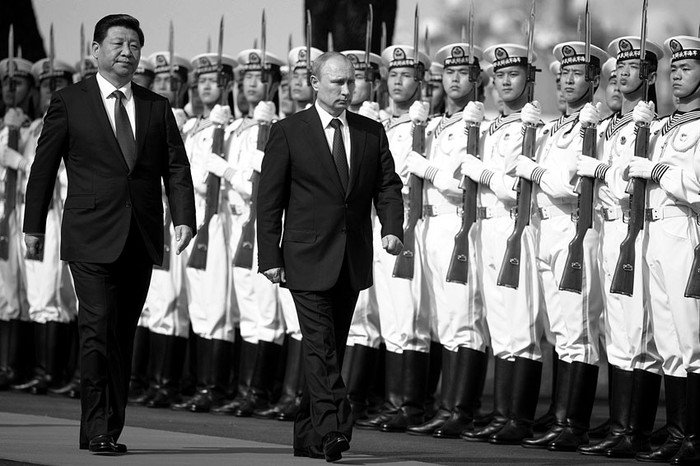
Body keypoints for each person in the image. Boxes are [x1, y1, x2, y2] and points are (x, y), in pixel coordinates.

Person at [22, 14, 196, 454]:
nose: (127, 51)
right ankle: (98, 428)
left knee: (121, 334)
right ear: (95, 51)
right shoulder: (69, 101)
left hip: (138, 235)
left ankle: (104, 428)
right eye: (118, 43)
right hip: (90, 233)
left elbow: (176, 166)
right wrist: (33, 225)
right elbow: (44, 167)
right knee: (97, 328)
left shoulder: (156, 107)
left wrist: (183, 217)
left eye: (135, 45)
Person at [257, 51, 404, 462]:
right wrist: (270, 254)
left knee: (330, 350)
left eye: (350, 82)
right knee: (320, 347)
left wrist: (392, 228)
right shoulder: (289, 131)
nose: (346, 89)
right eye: (337, 82)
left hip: (351, 256)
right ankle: (336, 427)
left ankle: (306, 436)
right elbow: (268, 200)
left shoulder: (371, 131)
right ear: (314, 82)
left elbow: (387, 186)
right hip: (304, 257)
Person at [575, 36, 664, 459]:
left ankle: (635, 430)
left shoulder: (651, 125)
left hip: (636, 228)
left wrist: (602, 169)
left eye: (632, 68)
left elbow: (633, 184)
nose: (622, 73)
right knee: (617, 334)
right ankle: (618, 425)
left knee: (637, 331)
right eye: (619, 68)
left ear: (648, 76)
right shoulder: (611, 125)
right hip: (609, 232)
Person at [517, 40, 607, 452]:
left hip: (574, 229)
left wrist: (533, 169)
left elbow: (571, 187)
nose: (566, 81)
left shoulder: (595, 126)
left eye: (576, 74)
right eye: (562, 74)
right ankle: (558, 416)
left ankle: (576, 422)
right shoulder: (559, 128)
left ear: (593, 80)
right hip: (548, 229)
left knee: (578, 330)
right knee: (558, 330)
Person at [460, 43, 543, 445]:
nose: (505, 82)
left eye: (513, 75)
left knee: (520, 322)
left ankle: (519, 417)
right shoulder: (493, 126)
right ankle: (501, 412)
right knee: (499, 325)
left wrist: (484, 173)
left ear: (530, 80)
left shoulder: (535, 128)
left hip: (516, 226)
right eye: (500, 76)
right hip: (488, 229)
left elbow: (517, 188)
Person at [627, 35, 700, 464]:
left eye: (686, 68)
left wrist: (659, 169)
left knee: (691, 338)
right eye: (673, 69)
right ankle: (676, 432)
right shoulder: (663, 125)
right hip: (653, 233)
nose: (675, 75)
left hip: (684, 231)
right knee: (668, 339)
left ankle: (693, 435)